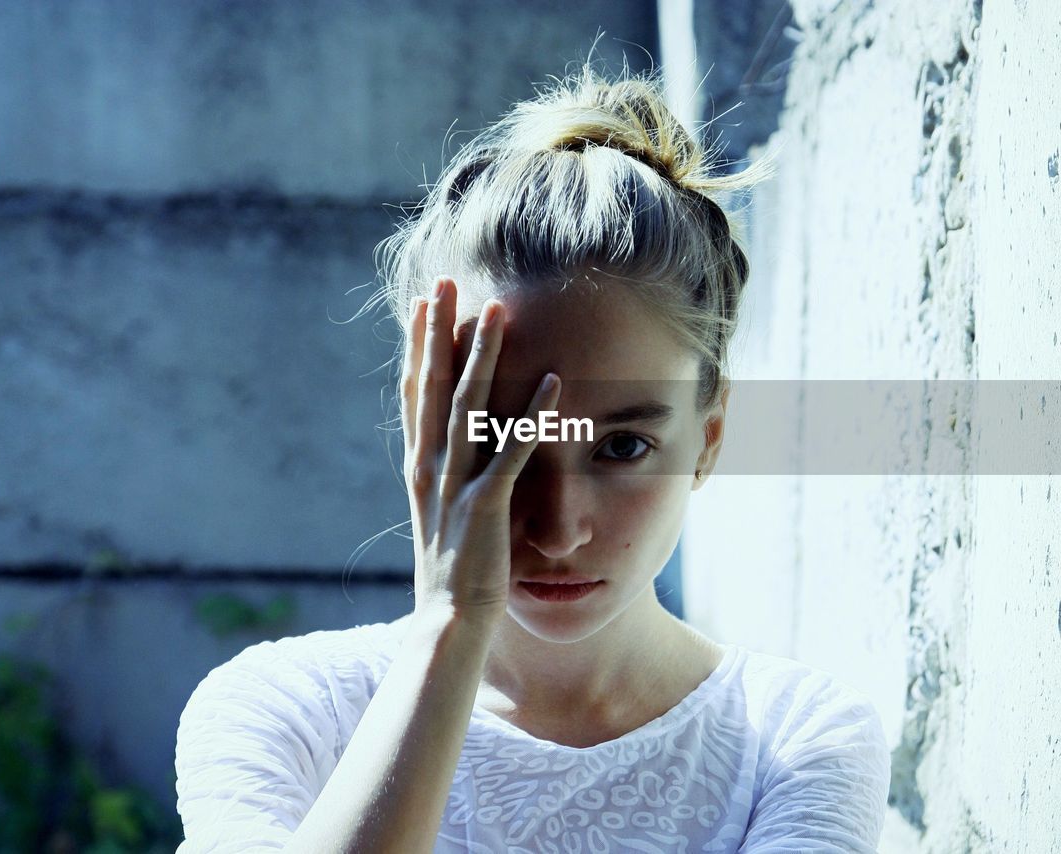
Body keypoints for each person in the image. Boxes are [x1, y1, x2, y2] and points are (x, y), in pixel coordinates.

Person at [174, 62, 890, 853]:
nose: (556, 529)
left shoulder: (796, 741)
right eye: (498, 440)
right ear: (426, 428)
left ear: (708, 440)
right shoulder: (286, 712)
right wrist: (451, 621)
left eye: (623, 446)